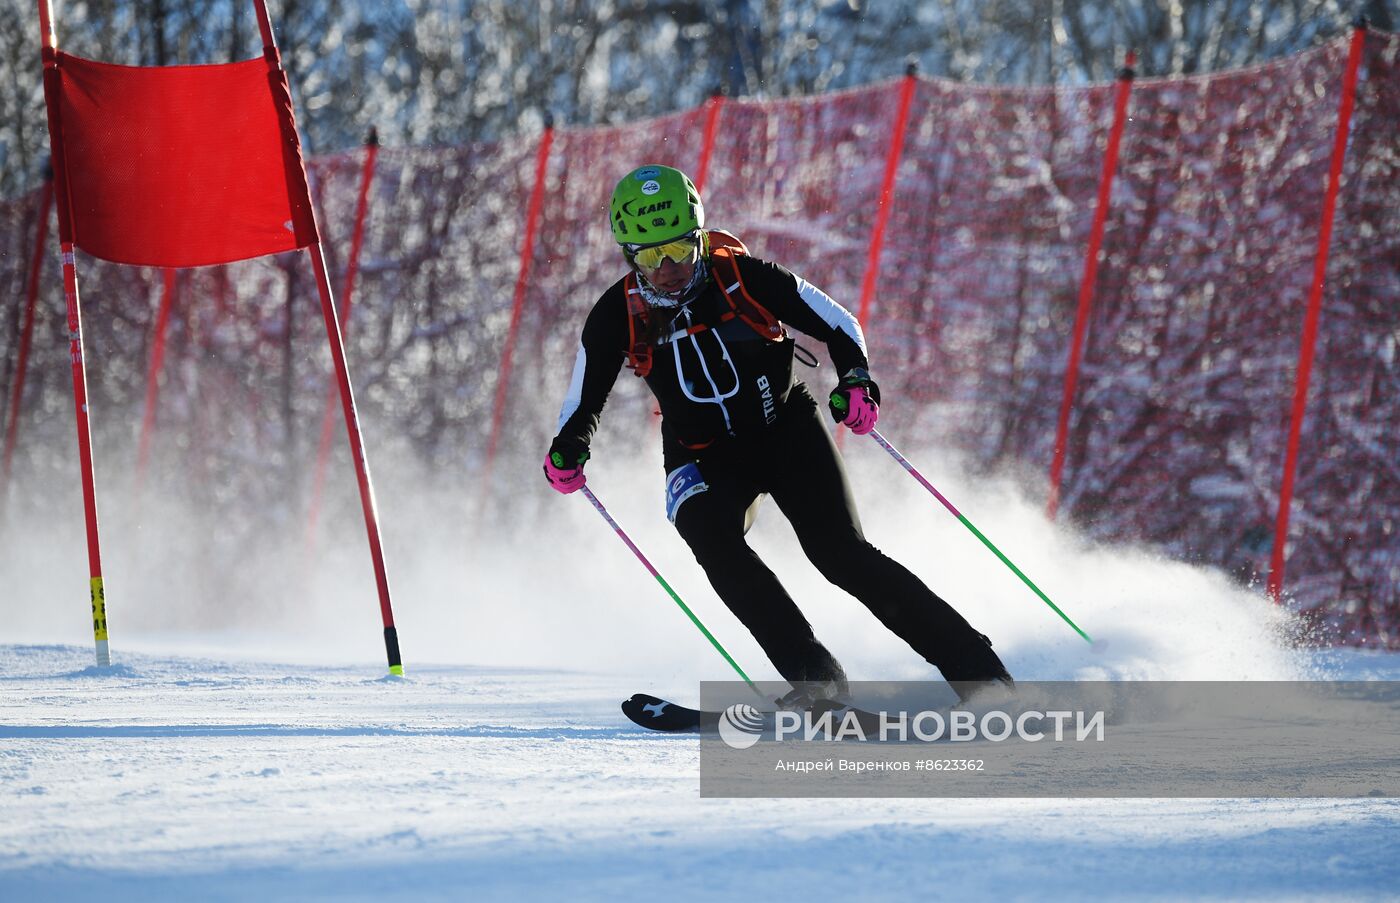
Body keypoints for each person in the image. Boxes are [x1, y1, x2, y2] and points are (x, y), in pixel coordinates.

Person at [544, 164, 1012, 705]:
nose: (668, 268)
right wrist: (569, 446)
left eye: (679, 249)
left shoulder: (743, 277)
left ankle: (982, 676)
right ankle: (815, 681)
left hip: (785, 430)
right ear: (629, 255)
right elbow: (583, 397)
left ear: (699, 237)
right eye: (650, 256)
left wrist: (856, 378)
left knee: (839, 554)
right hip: (702, 456)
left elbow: (837, 321)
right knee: (710, 537)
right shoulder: (614, 315)